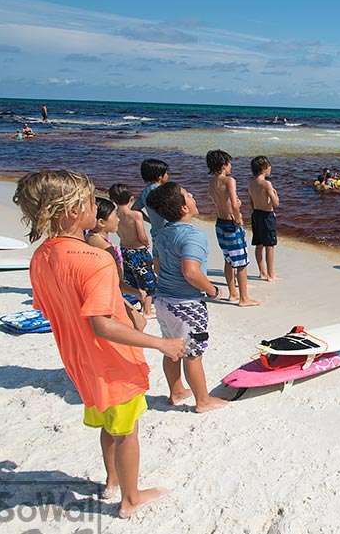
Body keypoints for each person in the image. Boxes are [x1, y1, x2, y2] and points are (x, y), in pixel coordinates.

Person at [13, 169, 185, 518]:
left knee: (110, 425)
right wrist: (159, 344)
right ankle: (131, 499)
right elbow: (102, 326)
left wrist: (124, 308)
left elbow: (53, 308)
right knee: (128, 432)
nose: (97, 205)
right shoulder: (96, 259)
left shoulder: (41, 257)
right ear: (72, 210)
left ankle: (112, 481)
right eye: (91, 201)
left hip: (80, 362)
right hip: (113, 361)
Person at [147, 181, 229, 412]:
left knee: (172, 349)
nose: (192, 195)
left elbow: (157, 264)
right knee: (193, 354)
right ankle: (203, 401)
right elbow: (191, 272)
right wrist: (212, 290)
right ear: (184, 208)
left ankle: (176, 392)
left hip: (163, 300)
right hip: (186, 303)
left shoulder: (161, 233)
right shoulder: (193, 235)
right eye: (187, 194)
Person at [207, 149, 258, 306]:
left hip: (220, 223)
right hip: (231, 224)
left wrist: (233, 205)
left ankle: (233, 293)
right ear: (224, 165)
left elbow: (219, 201)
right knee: (241, 263)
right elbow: (234, 204)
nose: (231, 166)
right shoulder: (229, 180)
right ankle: (244, 298)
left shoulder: (211, 182)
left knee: (228, 259)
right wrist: (238, 218)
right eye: (229, 163)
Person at [110, 183, 157, 317]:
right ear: (131, 198)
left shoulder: (115, 214)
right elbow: (141, 234)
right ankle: (147, 310)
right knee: (148, 281)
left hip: (125, 249)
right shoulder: (135, 215)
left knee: (133, 279)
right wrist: (146, 243)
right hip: (138, 251)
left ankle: (141, 305)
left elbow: (118, 232)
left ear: (112, 200)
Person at [133, 159, 171, 273]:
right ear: (160, 176)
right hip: (168, 230)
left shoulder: (145, 191)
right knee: (171, 257)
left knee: (157, 257)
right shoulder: (163, 191)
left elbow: (135, 209)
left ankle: (159, 280)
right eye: (166, 173)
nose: (168, 175)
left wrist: (150, 220)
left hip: (155, 230)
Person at [249, 155, 280, 281]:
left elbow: (251, 202)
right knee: (270, 246)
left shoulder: (251, 183)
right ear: (264, 168)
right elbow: (276, 203)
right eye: (269, 166)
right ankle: (271, 274)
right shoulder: (266, 183)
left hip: (256, 214)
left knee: (259, 244)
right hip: (267, 215)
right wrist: (275, 194)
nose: (270, 168)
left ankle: (262, 272)